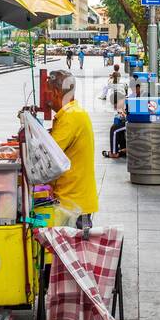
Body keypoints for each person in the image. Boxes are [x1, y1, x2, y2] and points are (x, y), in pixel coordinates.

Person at [44, 69, 98, 229]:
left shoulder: (70, 118)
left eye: (47, 93)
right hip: (75, 201)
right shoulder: (74, 112)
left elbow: (48, 156)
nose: (46, 99)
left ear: (55, 92)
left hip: (73, 204)